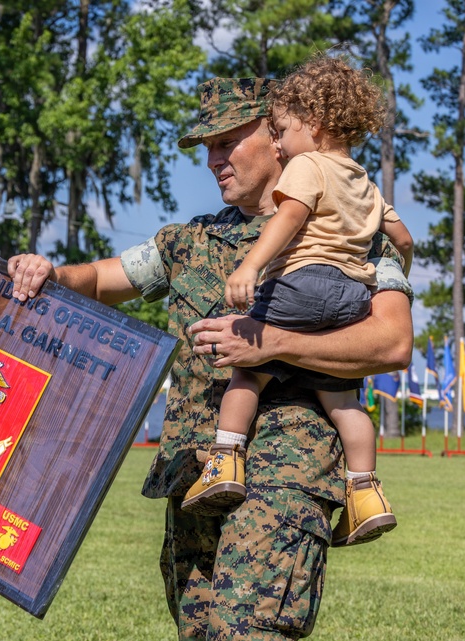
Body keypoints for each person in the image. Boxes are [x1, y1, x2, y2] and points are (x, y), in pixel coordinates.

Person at [8, 78, 413, 641]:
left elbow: (393, 343)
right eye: (207, 147)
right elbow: (100, 280)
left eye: (228, 141)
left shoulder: (351, 235)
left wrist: (270, 343)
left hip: (286, 466)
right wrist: (50, 274)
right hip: (196, 472)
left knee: (249, 639)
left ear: (278, 136)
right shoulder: (189, 242)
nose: (213, 159)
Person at [180, 56, 413, 551]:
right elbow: (404, 238)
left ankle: (226, 458)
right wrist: (399, 271)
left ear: (316, 123)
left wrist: (250, 267)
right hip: (352, 295)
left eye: (284, 131)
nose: (281, 144)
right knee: (344, 402)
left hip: (300, 281)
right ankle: (365, 492)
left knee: (248, 369)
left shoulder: (308, 165)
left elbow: (288, 218)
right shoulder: (365, 181)